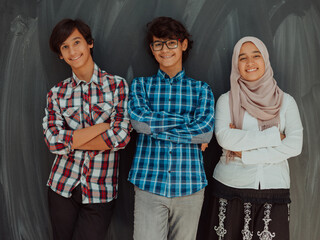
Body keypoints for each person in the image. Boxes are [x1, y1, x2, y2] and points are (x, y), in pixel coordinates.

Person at [42, 19, 131, 240]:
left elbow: (120, 137)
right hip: (62, 186)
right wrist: (101, 127)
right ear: (60, 55)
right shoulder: (57, 93)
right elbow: (53, 141)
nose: (72, 51)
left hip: (100, 190)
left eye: (77, 42)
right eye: (65, 47)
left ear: (89, 43)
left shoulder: (117, 85)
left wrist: (70, 142)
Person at [128, 16, 215, 240]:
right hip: (149, 184)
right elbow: (139, 123)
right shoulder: (141, 85)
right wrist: (186, 120)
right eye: (158, 44)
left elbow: (204, 132)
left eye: (171, 43)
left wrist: (155, 126)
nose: (165, 50)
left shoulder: (201, 89)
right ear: (152, 48)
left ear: (183, 44)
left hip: (190, 186)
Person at [208, 36, 303, 240]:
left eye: (256, 56)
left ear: (265, 59)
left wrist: (245, 154)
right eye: (242, 58)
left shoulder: (286, 102)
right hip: (229, 188)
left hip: (274, 189)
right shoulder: (227, 100)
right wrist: (273, 136)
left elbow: (294, 146)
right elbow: (225, 138)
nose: (250, 63)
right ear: (236, 64)